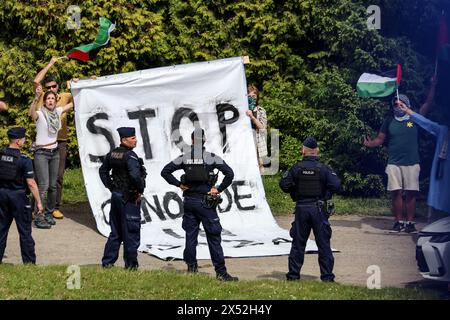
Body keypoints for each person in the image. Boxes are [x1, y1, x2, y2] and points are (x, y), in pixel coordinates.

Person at [160, 128, 238, 281]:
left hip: (189, 202)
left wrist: (179, 185)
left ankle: (192, 268)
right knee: (214, 237)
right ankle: (221, 273)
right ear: (204, 140)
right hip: (205, 203)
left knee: (190, 236)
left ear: (192, 141)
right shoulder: (211, 158)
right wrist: (218, 189)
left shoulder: (184, 157)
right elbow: (229, 174)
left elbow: (165, 171)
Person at [280, 137, 341, 282]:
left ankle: (293, 276)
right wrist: (325, 193)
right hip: (318, 209)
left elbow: (284, 185)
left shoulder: (296, 168)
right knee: (323, 244)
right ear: (317, 151)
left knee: (298, 244)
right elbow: (336, 185)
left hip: (301, 208)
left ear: (303, 151)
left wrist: (296, 189)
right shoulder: (324, 169)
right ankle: (327, 278)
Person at [363, 94, 422, 233]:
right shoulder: (389, 120)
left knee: (411, 193)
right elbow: (379, 139)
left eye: (401, 104)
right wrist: (369, 144)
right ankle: (398, 222)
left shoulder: (414, 119)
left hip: (412, 162)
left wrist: (433, 86)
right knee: (396, 193)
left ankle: (410, 223)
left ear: (407, 104)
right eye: (395, 104)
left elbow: (427, 105)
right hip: (394, 162)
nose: (398, 106)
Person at [99, 127, 147, 270]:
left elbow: (103, 171)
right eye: (132, 138)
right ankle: (131, 265)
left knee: (116, 231)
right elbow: (134, 176)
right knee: (131, 232)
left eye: (135, 137)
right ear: (124, 140)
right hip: (129, 198)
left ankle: (107, 263)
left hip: (116, 196)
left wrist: (112, 187)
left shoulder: (112, 154)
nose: (135, 140)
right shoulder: (130, 156)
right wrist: (139, 190)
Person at [33, 57, 73, 220]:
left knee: (57, 178)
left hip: (60, 142)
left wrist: (79, 83)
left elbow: (81, 96)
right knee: (41, 180)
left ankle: (54, 208)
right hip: (44, 144)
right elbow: (36, 81)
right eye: (48, 87)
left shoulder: (64, 96)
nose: (51, 89)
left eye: (53, 86)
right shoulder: (43, 97)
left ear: (58, 86)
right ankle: (38, 208)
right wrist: (50, 64)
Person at [396, 102, 450, 222]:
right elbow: (427, 123)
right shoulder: (444, 132)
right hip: (441, 179)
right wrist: (408, 111)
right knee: (437, 211)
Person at [0, 127, 44, 264]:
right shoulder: (24, 160)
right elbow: (31, 183)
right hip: (18, 197)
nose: (25, 141)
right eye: (24, 138)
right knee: (25, 232)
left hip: (2, 195)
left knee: (1, 229)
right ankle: (29, 263)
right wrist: (39, 202)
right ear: (18, 141)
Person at [246, 84, 268, 170]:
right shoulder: (242, 110)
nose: (251, 98)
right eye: (249, 96)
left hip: (258, 147)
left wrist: (252, 117)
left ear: (257, 97)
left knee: (258, 171)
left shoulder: (261, 111)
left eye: (254, 95)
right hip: (245, 146)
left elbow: (263, 128)